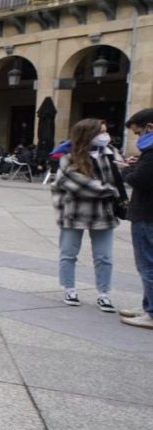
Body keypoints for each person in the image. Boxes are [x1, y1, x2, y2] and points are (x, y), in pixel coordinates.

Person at [53, 119, 123, 311]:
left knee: (104, 256)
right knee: (69, 254)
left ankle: (104, 293)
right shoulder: (68, 156)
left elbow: (118, 178)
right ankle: (69, 289)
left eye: (106, 131)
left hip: (103, 213)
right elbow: (76, 184)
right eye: (101, 132)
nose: (105, 136)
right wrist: (110, 190)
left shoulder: (110, 153)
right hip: (74, 211)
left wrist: (127, 169)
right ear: (87, 134)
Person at [121, 109, 153, 328]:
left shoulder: (151, 153)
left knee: (147, 264)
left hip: (147, 213)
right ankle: (147, 305)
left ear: (150, 127)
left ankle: (151, 312)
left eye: (138, 132)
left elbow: (140, 180)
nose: (138, 137)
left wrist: (127, 172)